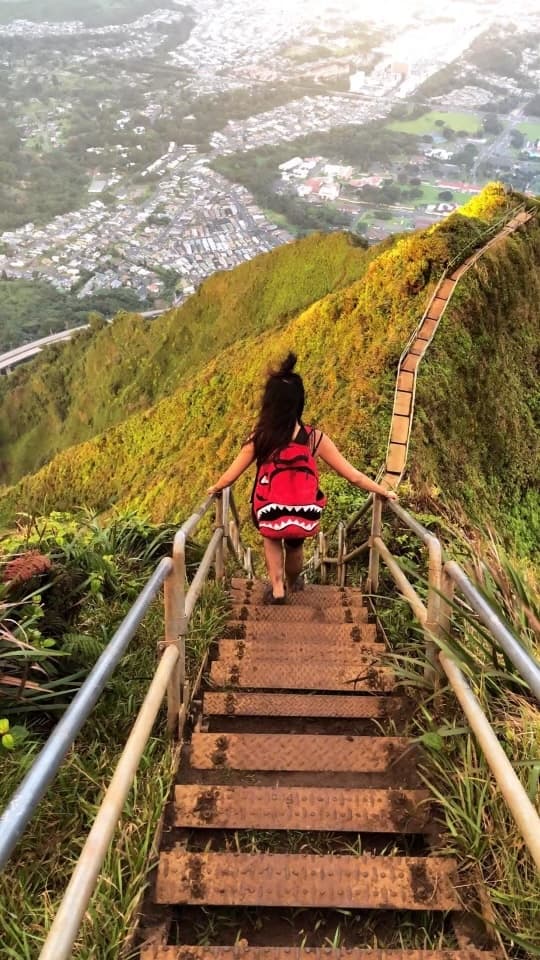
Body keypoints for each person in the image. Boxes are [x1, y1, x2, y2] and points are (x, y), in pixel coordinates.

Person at [207, 352, 397, 603]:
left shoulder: (260, 437)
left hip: (269, 505)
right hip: (303, 509)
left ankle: (276, 589)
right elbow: (353, 475)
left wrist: (216, 487)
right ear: (299, 403)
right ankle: (292, 580)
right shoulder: (313, 438)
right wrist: (383, 491)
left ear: (269, 403)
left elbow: (231, 474)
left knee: (272, 537)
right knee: (295, 546)